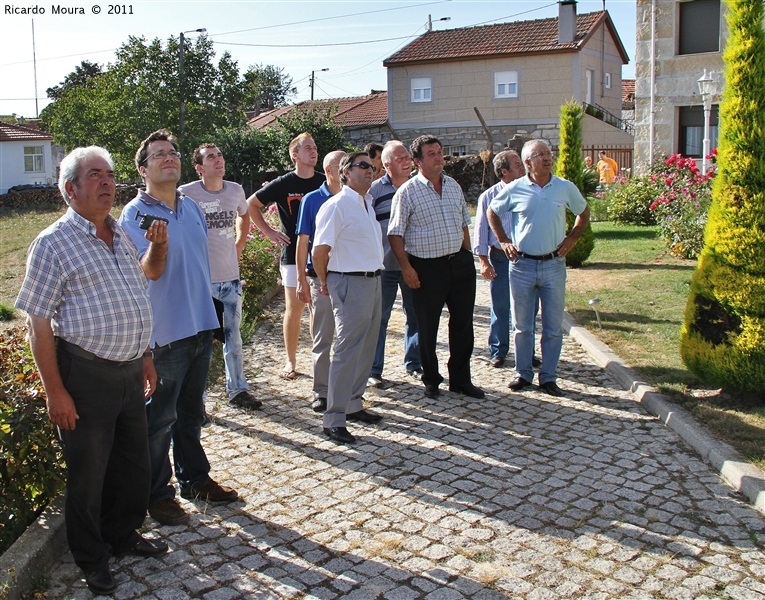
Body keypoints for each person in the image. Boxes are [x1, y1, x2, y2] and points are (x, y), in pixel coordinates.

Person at [16, 146, 167, 595]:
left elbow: (144, 282)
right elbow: (37, 324)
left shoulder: (119, 233)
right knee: (88, 475)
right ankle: (91, 556)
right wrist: (55, 392)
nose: (107, 182)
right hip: (84, 375)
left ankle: (121, 536)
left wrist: (144, 354)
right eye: (95, 175)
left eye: (110, 175)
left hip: (127, 371)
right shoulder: (52, 243)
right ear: (70, 189)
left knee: (132, 467)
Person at [121, 129, 239, 527]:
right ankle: (158, 494)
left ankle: (195, 479)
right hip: (163, 336)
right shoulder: (134, 215)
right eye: (158, 155)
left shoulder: (191, 208)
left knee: (191, 413)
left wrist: (212, 317)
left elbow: (199, 267)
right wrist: (158, 245)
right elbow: (147, 273)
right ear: (143, 169)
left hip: (199, 325)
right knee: (158, 422)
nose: (168, 158)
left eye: (172, 152)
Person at [488, 139, 590, 397]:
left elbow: (584, 212)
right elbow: (492, 211)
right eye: (540, 154)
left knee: (553, 326)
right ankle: (523, 374)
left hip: (553, 265)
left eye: (548, 153)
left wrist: (572, 238)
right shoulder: (515, 188)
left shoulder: (564, 187)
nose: (546, 158)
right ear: (527, 163)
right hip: (522, 265)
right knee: (522, 326)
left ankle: (549, 377)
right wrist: (503, 241)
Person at [388, 135, 484, 399]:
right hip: (427, 268)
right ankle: (431, 378)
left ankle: (461, 379)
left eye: (440, 152)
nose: (439, 157)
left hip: (459, 264)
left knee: (463, 324)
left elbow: (464, 222)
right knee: (427, 326)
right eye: (431, 153)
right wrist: (407, 269)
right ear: (417, 161)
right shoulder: (407, 192)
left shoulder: (453, 186)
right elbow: (395, 234)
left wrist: (467, 255)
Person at [179, 143, 262, 411]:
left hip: (230, 279)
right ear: (199, 168)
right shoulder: (186, 194)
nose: (218, 160)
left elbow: (245, 215)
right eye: (211, 157)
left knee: (233, 337)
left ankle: (237, 390)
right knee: (198, 344)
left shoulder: (235, 190)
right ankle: (196, 402)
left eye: (220, 155)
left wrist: (239, 245)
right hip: (199, 283)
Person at [312, 152, 385, 444]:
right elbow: (319, 251)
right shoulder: (337, 206)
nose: (370, 170)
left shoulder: (366, 202)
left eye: (372, 166)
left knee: (366, 346)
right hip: (348, 281)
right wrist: (324, 280)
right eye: (363, 166)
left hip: (372, 280)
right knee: (345, 350)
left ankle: (354, 404)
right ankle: (334, 418)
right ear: (345, 172)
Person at [247, 132, 325, 381]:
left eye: (314, 148)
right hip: (292, 255)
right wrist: (269, 232)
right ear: (295, 155)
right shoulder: (283, 183)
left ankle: (319, 360)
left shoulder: (325, 182)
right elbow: (251, 204)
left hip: (321, 255)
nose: (313, 152)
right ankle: (290, 362)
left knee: (318, 308)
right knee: (295, 307)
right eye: (307, 148)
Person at [295, 150, 347, 412]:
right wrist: (301, 280)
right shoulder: (312, 200)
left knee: (348, 338)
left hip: (350, 277)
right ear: (329, 171)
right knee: (323, 337)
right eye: (342, 165)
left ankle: (346, 391)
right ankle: (321, 392)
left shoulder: (356, 198)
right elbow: (303, 241)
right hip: (321, 278)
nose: (348, 169)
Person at [368, 140, 422, 387]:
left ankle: (415, 364)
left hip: (415, 264)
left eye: (407, 156)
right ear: (387, 164)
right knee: (379, 317)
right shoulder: (375, 190)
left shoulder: (418, 188)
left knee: (416, 314)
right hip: (385, 265)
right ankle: (374, 369)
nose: (406, 160)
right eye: (399, 157)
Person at [473, 150, 525, 368]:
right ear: (504, 171)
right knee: (501, 306)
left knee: (525, 308)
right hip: (500, 258)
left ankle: (525, 352)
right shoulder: (489, 197)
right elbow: (481, 231)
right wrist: (484, 261)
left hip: (526, 258)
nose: (523, 168)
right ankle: (498, 350)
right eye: (517, 165)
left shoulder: (529, 192)